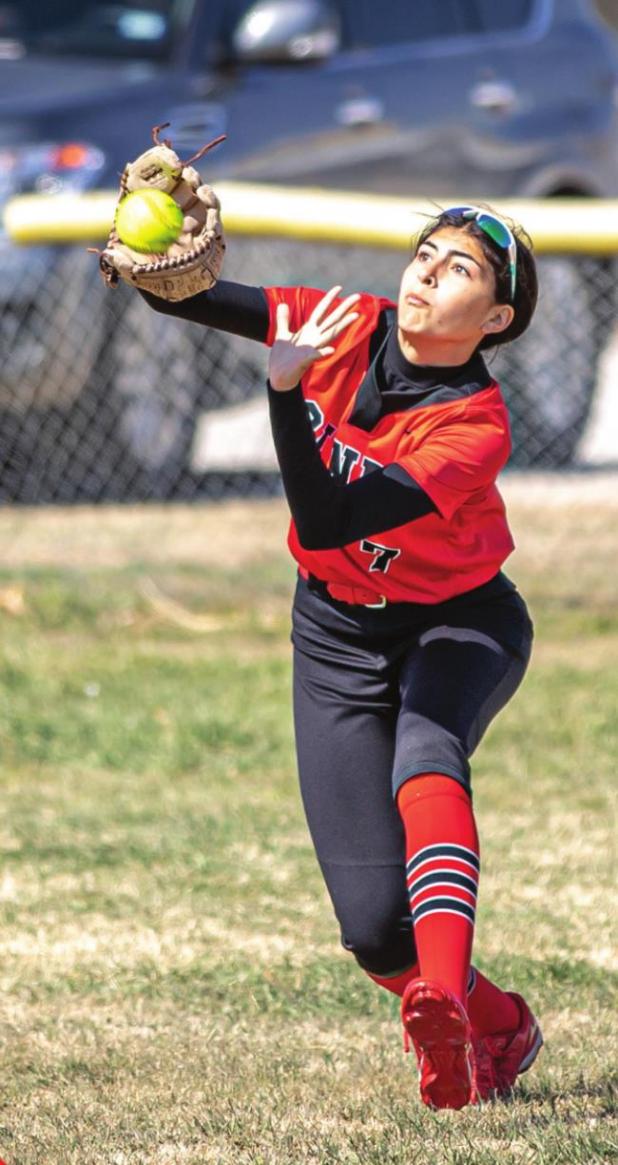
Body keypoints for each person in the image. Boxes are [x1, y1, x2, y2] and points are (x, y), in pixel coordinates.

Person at [136, 204, 544, 1110]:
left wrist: (283, 396)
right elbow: (194, 303)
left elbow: (326, 516)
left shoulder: (476, 427)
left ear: (496, 320)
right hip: (334, 631)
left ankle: (443, 992)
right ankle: (497, 1024)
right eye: (425, 254)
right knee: (370, 932)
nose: (429, 273)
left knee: (426, 753)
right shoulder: (345, 322)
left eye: (461, 271)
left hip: (459, 619)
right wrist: (153, 266)